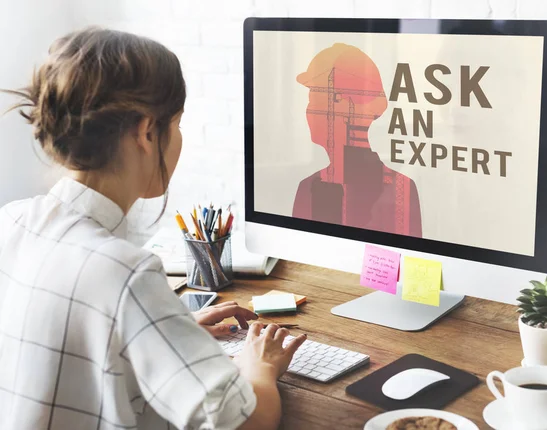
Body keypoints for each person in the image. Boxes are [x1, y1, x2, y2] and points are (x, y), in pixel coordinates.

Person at [0, 27, 305, 430]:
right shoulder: (126, 273)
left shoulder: (11, 221)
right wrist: (258, 367)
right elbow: (246, 421)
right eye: (176, 124)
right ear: (147, 132)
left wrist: (164, 329)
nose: (178, 139)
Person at [293, 43, 422, 237]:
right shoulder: (308, 187)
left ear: (344, 105)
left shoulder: (401, 190)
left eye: (314, 99)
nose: (308, 111)